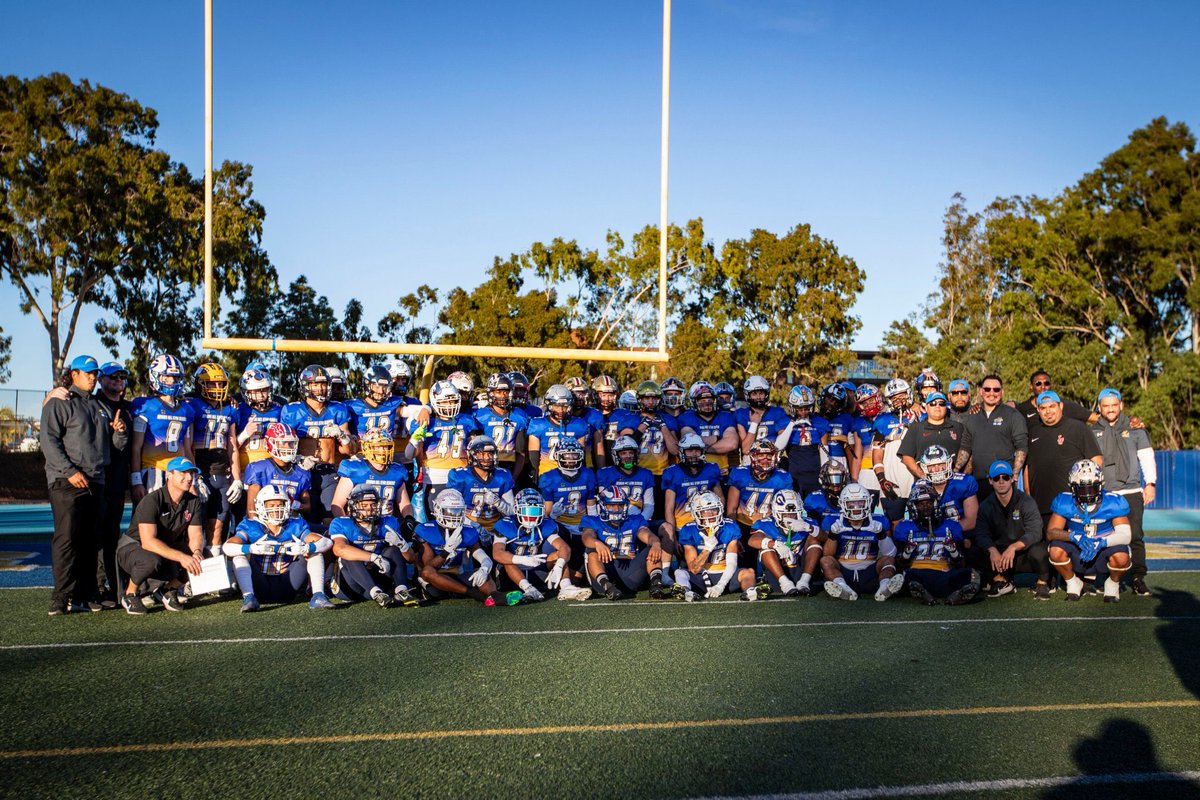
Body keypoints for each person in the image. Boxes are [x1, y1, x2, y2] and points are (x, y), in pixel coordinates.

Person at [40, 354, 129, 615]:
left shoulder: (99, 406)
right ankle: (61, 596)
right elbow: (49, 441)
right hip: (66, 481)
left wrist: (120, 433)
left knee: (92, 540)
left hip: (96, 481)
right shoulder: (60, 400)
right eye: (87, 373)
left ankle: (87, 593)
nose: (92, 377)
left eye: (94, 373)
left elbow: (113, 447)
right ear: (74, 374)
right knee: (67, 538)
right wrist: (69, 471)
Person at [221, 483, 335, 611]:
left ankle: (318, 596)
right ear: (261, 506)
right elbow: (227, 547)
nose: (276, 510)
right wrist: (251, 548)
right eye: (271, 506)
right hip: (260, 586)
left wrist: (306, 548)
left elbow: (326, 542)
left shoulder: (295, 524)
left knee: (314, 551)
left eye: (280, 505)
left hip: (289, 584)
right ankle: (248, 597)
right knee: (240, 554)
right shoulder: (251, 525)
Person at [115, 457, 205, 615]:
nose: (189, 477)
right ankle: (130, 594)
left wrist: (197, 552)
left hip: (163, 546)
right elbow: (148, 542)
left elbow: (196, 534)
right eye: (183, 473)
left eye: (191, 473)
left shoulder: (193, 501)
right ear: (169, 474)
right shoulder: (152, 500)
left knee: (203, 557)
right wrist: (182, 557)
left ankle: (167, 590)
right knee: (151, 560)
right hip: (134, 547)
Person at [1091, 388, 1156, 597]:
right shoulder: (1092, 431)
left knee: (1135, 536)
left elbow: (1146, 458)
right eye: (1106, 406)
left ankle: (1138, 578)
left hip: (1131, 490)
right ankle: (1104, 577)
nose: (1110, 409)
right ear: (1099, 407)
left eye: (1114, 405)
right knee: (1103, 535)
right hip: (1104, 493)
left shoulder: (1135, 429)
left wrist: (1150, 483)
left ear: (1121, 405)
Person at [1045, 460, 1132, 603]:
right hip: (1077, 546)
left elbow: (1125, 535)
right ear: (1072, 487)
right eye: (1081, 489)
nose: (1087, 494)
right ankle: (1073, 582)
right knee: (1055, 550)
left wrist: (1102, 542)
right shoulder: (1064, 501)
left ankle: (1112, 584)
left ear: (1100, 485)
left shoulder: (1113, 502)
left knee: (1122, 556)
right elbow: (1051, 532)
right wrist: (1074, 536)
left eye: (1091, 489)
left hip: (1103, 547)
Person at [280, 364, 355, 526]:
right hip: (303, 471)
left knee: (330, 519)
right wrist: (298, 459)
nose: (320, 389)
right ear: (305, 386)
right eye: (315, 384)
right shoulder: (292, 411)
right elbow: (283, 445)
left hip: (328, 471)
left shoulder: (338, 409)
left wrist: (342, 435)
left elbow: (348, 450)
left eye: (323, 384)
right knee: (306, 518)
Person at [969, 460, 1052, 599]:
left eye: (1005, 477)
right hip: (1000, 557)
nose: (1001, 481)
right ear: (990, 481)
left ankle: (1042, 583)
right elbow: (981, 534)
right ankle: (1001, 581)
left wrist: (1014, 547)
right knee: (973, 551)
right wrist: (992, 550)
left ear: (1012, 478)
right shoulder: (985, 506)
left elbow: (1035, 532)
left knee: (1039, 550)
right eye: (996, 478)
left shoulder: (1026, 501)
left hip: (1022, 554)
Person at [328, 485, 420, 608]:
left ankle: (402, 590)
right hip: (351, 585)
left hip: (379, 578)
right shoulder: (342, 523)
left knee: (393, 550)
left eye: (373, 504)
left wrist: (402, 545)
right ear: (353, 506)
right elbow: (340, 549)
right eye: (364, 505)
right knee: (349, 556)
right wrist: (374, 557)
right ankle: (376, 593)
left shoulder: (389, 521)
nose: (369, 509)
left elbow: (412, 559)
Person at [491, 489, 587, 602]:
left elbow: (564, 547)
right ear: (517, 509)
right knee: (507, 560)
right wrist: (522, 559)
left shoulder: (545, 524)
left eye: (536, 511)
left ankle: (566, 587)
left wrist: (559, 565)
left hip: (537, 567)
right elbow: (497, 553)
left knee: (559, 555)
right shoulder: (505, 524)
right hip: (513, 574)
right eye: (527, 510)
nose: (531, 516)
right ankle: (528, 589)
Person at [893, 481, 977, 605]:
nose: (926, 507)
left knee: (969, 573)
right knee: (905, 575)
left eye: (929, 503)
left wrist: (954, 552)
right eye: (921, 504)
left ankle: (954, 595)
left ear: (936, 503)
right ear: (913, 506)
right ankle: (921, 590)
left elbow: (961, 564)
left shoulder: (951, 526)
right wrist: (906, 554)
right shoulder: (905, 527)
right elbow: (899, 564)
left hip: (944, 573)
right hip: (917, 572)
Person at [187, 363, 243, 551]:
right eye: (212, 383)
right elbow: (188, 445)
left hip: (222, 474)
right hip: (202, 470)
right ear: (200, 384)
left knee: (218, 526)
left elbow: (232, 445)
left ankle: (214, 565)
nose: (218, 388)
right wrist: (195, 476)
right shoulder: (192, 405)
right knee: (196, 527)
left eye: (221, 384)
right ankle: (194, 566)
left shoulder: (230, 408)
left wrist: (237, 479)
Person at [414, 489, 502, 605]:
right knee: (427, 572)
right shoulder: (426, 530)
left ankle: (495, 596)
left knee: (481, 574)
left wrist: (485, 567)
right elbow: (429, 566)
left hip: (457, 577)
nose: (454, 516)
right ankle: (473, 594)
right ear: (438, 509)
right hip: (436, 582)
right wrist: (446, 551)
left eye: (458, 511)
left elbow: (481, 555)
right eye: (450, 511)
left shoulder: (468, 531)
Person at [1024, 391, 1103, 521]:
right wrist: (1028, 494)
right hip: (1040, 507)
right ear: (1038, 410)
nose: (1048, 411)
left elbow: (1097, 461)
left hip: (1071, 507)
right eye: (1043, 408)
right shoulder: (1032, 433)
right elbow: (1028, 467)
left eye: (1052, 406)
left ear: (1060, 406)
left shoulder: (1078, 428)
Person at [819, 483, 905, 602]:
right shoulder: (833, 520)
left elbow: (891, 554)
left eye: (860, 503)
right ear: (842, 504)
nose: (856, 508)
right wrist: (833, 535)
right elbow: (827, 554)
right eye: (851, 504)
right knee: (826, 561)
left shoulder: (878, 520)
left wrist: (881, 534)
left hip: (870, 573)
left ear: (868, 502)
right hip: (844, 574)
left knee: (888, 560)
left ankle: (884, 587)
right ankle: (842, 587)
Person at [409, 379, 482, 517]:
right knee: (436, 519)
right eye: (445, 401)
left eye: (453, 401)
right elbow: (414, 452)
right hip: (434, 478)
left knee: (462, 518)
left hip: (461, 475)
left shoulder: (466, 420)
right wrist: (426, 408)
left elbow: (473, 447)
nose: (450, 405)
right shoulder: (427, 422)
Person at [580, 486, 667, 600]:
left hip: (629, 572)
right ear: (602, 505)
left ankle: (656, 585)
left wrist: (656, 543)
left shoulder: (634, 519)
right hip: (606, 570)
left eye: (620, 505)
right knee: (591, 550)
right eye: (611, 505)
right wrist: (597, 543)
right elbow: (587, 537)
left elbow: (646, 534)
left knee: (653, 547)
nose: (616, 509)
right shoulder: (592, 520)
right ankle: (607, 587)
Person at [130, 353, 194, 505]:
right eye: (167, 377)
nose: (172, 381)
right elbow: (136, 447)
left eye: (175, 377)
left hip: (179, 473)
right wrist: (136, 480)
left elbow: (187, 449)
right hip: (153, 471)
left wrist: (194, 477)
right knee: (149, 516)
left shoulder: (187, 409)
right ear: (155, 377)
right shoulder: (145, 406)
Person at [676, 492, 764, 602]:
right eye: (705, 511)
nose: (711, 514)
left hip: (725, 574)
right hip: (701, 575)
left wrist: (721, 585)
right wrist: (708, 548)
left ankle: (750, 592)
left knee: (749, 572)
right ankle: (686, 592)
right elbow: (694, 569)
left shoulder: (729, 527)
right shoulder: (689, 530)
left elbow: (732, 564)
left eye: (714, 509)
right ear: (696, 513)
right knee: (680, 573)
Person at [94, 361, 133, 606]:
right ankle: (95, 585)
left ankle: (111, 585)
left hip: (118, 481)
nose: (118, 380)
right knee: (95, 535)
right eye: (113, 376)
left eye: (122, 376)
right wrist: (55, 393)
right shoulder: (92, 403)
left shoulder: (129, 407)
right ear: (101, 379)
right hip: (97, 480)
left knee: (111, 534)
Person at [954, 374, 1028, 502]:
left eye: (996, 389)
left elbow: (1021, 447)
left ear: (1002, 391)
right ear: (981, 391)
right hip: (978, 482)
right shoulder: (972, 417)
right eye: (987, 389)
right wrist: (955, 470)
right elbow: (966, 446)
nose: (991, 393)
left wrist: (1014, 475)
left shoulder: (1013, 415)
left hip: (1003, 481)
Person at [331, 428, 415, 523]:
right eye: (377, 447)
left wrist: (409, 519)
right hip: (360, 523)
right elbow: (337, 504)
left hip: (386, 524)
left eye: (385, 446)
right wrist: (346, 525)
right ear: (366, 448)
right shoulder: (356, 470)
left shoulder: (396, 472)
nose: (382, 450)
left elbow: (405, 504)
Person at [748, 489, 820, 597]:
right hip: (777, 572)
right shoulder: (766, 523)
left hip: (800, 568)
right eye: (785, 514)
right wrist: (775, 544)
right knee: (765, 546)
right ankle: (785, 584)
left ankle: (804, 581)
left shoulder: (807, 522)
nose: (789, 517)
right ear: (776, 512)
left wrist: (809, 528)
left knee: (815, 539)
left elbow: (826, 538)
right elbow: (752, 540)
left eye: (793, 514)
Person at [446, 435, 516, 540]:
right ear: (472, 455)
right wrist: (475, 527)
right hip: (468, 526)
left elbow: (512, 512)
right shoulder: (460, 476)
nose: (487, 458)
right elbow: (451, 511)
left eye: (490, 453)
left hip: (496, 528)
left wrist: (498, 503)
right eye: (481, 454)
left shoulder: (503, 476)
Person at [243, 422, 312, 520]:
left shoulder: (301, 472)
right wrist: (257, 526)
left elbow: (307, 507)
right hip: (265, 521)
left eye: (291, 443)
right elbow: (251, 510)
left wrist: (293, 504)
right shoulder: (259, 469)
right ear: (271, 443)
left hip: (290, 523)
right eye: (283, 443)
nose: (288, 447)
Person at [474, 373, 531, 482]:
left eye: (506, 391)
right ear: (491, 393)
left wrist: (513, 478)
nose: (503, 395)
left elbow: (521, 453)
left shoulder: (519, 416)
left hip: (509, 465)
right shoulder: (480, 416)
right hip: (485, 463)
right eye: (498, 392)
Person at [678, 381, 740, 478]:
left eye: (710, 400)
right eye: (702, 400)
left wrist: (701, 449)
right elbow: (689, 442)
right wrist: (717, 438)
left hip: (721, 472)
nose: (707, 404)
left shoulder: (725, 416)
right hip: (695, 473)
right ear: (694, 402)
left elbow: (732, 444)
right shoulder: (687, 417)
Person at [897, 391, 965, 479]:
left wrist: (960, 474)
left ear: (946, 406)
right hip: (925, 483)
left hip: (953, 481)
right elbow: (906, 457)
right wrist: (922, 475)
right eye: (933, 403)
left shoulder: (958, 427)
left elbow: (968, 451)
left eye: (941, 403)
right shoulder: (916, 428)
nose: (937, 406)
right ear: (926, 407)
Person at [918, 445, 979, 537]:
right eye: (932, 466)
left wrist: (942, 531)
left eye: (941, 464)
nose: (937, 469)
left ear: (948, 463)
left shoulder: (963, 483)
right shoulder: (919, 487)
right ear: (924, 467)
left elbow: (972, 521)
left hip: (961, 535)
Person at [780, 385, 826, 498]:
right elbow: (779, 447)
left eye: (807, 408)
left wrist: (824, 472)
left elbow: (824, 451)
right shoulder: (785, 422)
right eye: (800, 409)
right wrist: (792, 423)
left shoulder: (819, 422)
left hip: (814, 473)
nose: (804, 412)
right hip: (794, 473)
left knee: (814, 504)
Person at [735, 376, 789, 467]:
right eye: (754, 394)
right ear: (748, 395)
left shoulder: (778, 412)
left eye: (761, 393)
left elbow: (781, 444)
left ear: (766, 394)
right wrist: (754, 424)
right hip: (750, 461)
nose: (758, 397)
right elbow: (746, 449)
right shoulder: (741, 414)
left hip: (772, 459)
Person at [1016, 370, 1092, 431]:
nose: (1043, 387)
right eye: (1038, 384)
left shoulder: (1064, 404)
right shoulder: (1022, 410)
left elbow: (1094, 418)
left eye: (1046, 383)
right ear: (1031, 386)